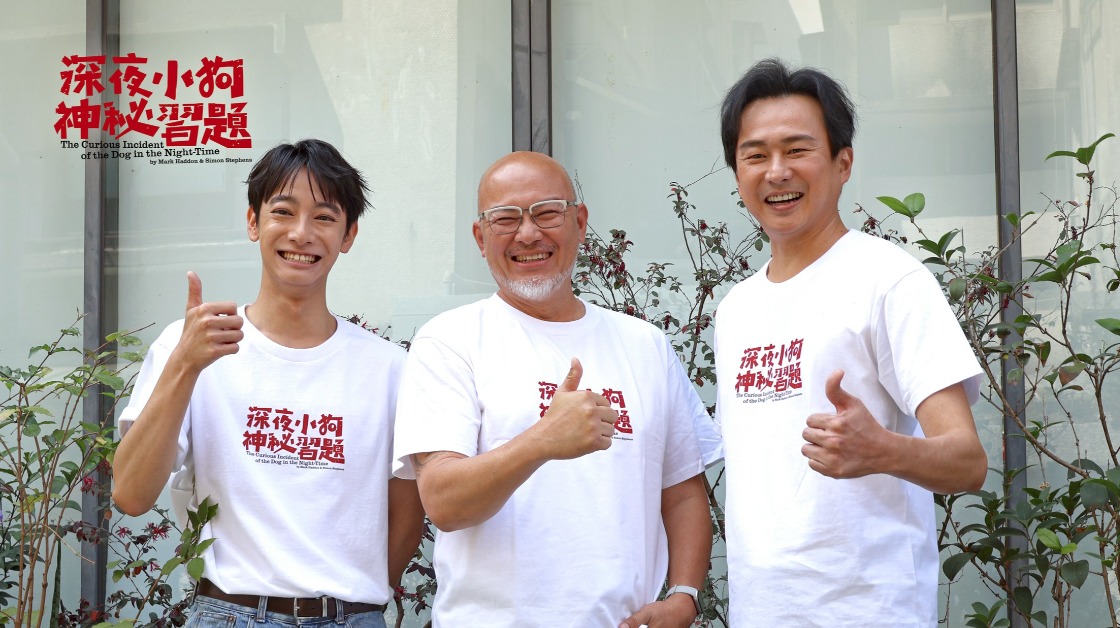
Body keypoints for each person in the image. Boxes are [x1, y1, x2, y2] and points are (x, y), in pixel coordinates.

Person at [392, 151, 720, 627]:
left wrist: (684, 595)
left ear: (580, 223)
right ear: (481, 238)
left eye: (547, 213)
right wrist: (543, 440)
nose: (528, 234)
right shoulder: (450, 340)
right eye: (505, 219)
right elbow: (444, 502)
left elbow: (683, 490)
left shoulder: (644, 344)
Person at [713, 58, 988, 626]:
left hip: (869, 610)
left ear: (843, 163)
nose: (777, 172)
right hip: (761, 612)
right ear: (737, 172)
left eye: (797, 150)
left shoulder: (890, 280)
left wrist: (884, 449)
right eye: (755, 155)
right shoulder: (736, 308)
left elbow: (967, 462)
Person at [112, 139, 424, 628]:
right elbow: (130, 495)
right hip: (228, 614)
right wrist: (184, 366)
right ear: (253, 222)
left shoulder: (390, 368)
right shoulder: (190, 344)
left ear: (348, 235)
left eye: (324, 217)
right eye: (283, 211)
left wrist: (349, 605)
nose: (301, 233)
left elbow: (407, 514)